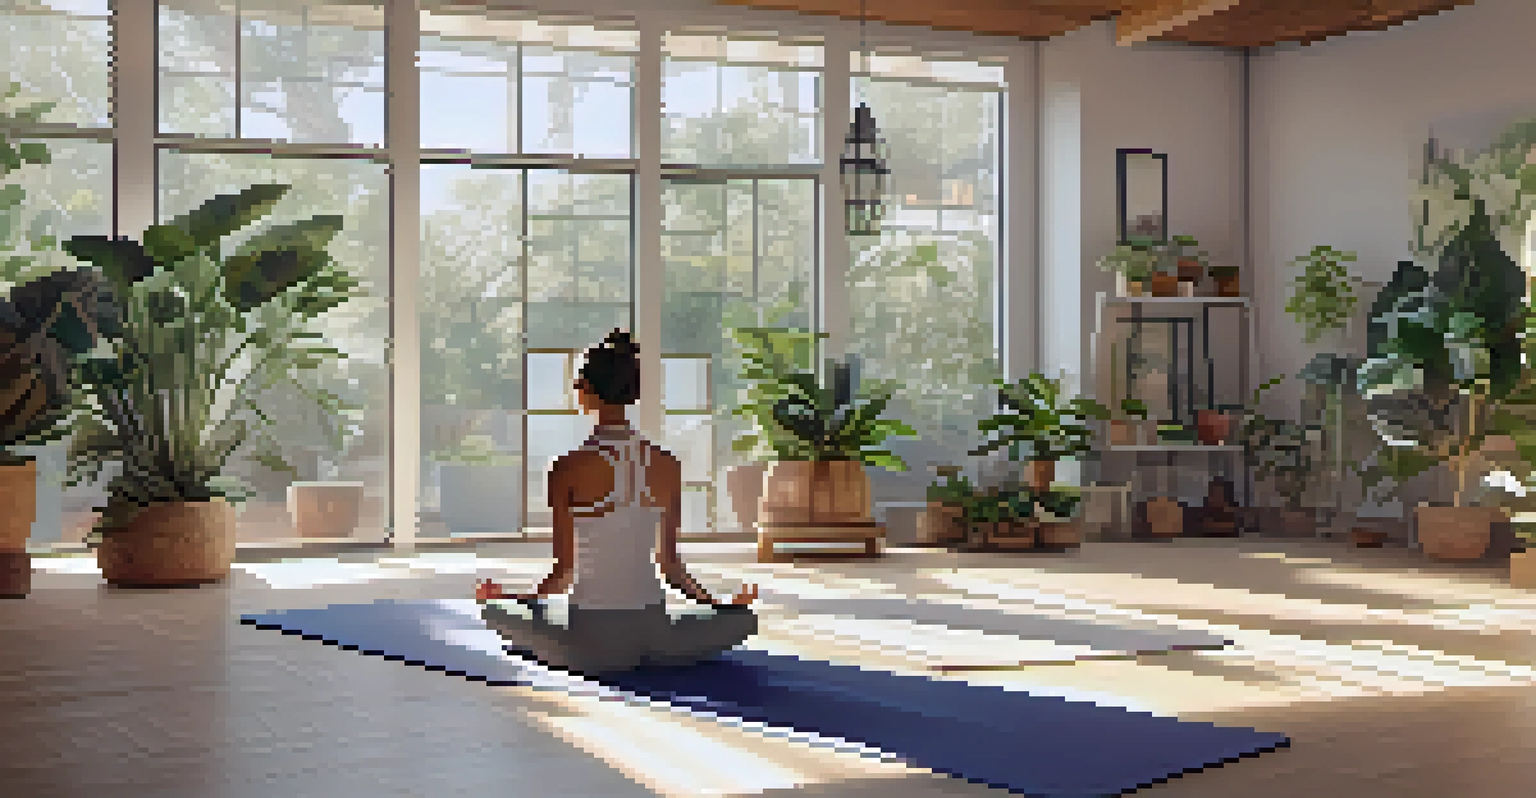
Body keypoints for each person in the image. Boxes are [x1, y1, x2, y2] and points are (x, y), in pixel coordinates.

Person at [475, 329, 759, 676]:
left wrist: (516, 599)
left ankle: (505, 609)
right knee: (744, 619)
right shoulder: (667, 464)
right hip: (658, 639)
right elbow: (670, 566)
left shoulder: (566, 467)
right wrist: (719, 604)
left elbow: (565, 572)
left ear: (584, 391)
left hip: (593, 647)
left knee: (492, 610)